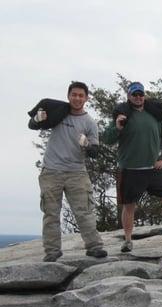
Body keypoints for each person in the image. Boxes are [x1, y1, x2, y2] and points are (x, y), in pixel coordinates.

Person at [28, 81, 107, 262]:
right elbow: (32, 125)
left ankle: (94, 247)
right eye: (74, 95)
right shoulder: (58, 112)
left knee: (84, 211)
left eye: (81, 95)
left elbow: (95, 152)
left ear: (86, 98)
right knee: (51, 213)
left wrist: (87, 144)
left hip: (77, 173)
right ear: (68, 96)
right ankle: (52, 252)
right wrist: (37, 119)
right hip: (51, 171)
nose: (77, 98)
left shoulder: (89, 123)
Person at [102, 82, 162, 252]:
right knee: (129, 206)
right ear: (129, 96)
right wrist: (117, 127)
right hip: (130, 170)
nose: (138, 97)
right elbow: (107, 139)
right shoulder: (123, 115)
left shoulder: (155, 116)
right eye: (134, 95)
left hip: (153, 169)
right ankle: (128, 240)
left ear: (144, 96)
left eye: (140, 94)